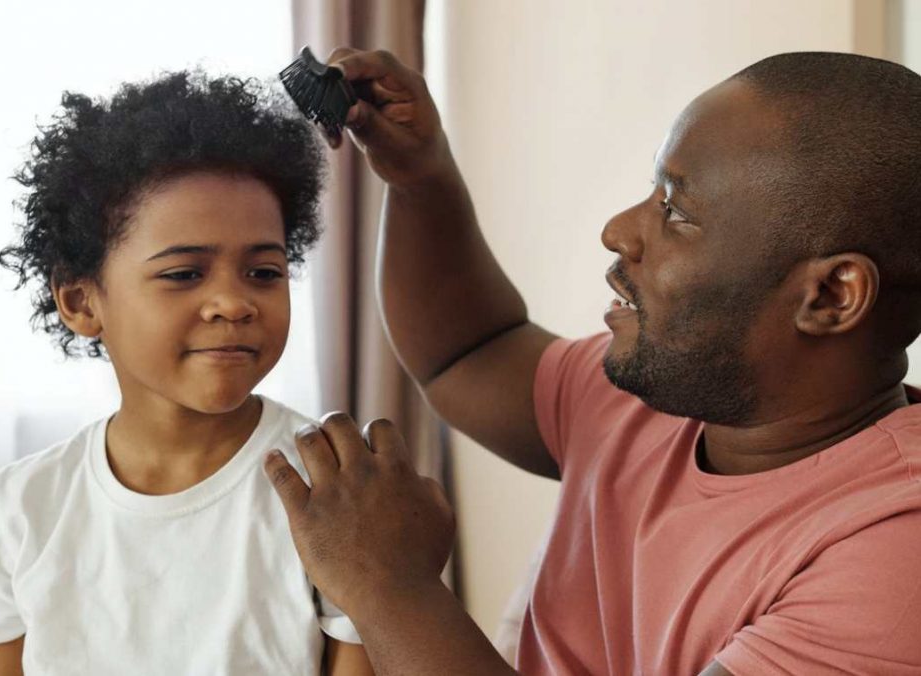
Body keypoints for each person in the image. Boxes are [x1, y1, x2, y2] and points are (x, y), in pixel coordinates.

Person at [264, 49, 921, 675]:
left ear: (832, 295)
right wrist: (418, 175)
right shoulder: (664, 393)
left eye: (676, 212)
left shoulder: (894, 558)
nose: (619, 230)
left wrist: (390, 586)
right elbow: (468, 352)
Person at [0, 71, 374, 676]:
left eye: (264, 272)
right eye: (183, 274)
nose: (234, 302)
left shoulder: (334, 488)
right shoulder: (22, 506)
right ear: (81, 303)